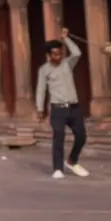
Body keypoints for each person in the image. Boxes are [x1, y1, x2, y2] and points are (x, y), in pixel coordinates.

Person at [34, 36, 89, 179]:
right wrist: (40, 109)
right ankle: (58, 169)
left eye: (60, 53)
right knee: (58, 137)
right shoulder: (44, 70)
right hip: (58, 109)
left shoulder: (67, 64)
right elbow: (41, 90)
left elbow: (77, 53)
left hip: (74, 107)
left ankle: (72, 161)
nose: (58, 56)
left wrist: (66, 39)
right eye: (55, 54)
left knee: (81, 136)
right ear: (49, 55)